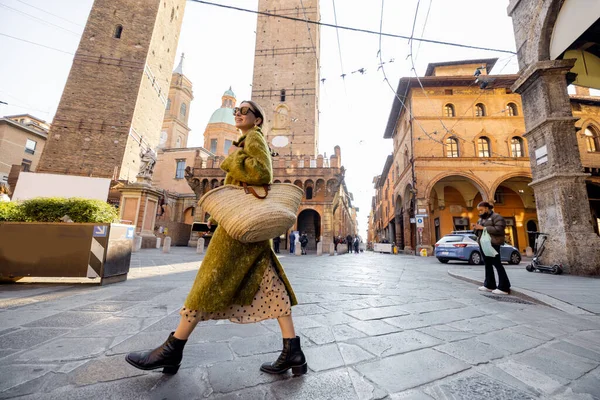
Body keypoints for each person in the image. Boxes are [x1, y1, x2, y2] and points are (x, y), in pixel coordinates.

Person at [126, 100, 307, 376]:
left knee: (207, 283)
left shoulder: (253, 138)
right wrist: (219, 211)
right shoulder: (244, 139)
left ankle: (172, 349)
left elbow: (262, 172)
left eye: (244, 111)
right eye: (236, 111)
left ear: (257, 119)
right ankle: (292, 350)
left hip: (238, 232)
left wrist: (232, 157)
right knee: (271, 285)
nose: (238, 114)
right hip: (242, 225)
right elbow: (241, 180)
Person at [474, 201, 511, 295]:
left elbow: (499, 229)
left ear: (487, 208)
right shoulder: (481, 219)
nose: (480, 212)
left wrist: (483, 228)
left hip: (493, 243)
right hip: (483, 244)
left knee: (497, 263)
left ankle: (504, 287)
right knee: (487, 264)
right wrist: (475, 228)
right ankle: (489, 285)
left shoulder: (497, 217)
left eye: (481, 210)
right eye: (479, 210)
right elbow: (477, 232)